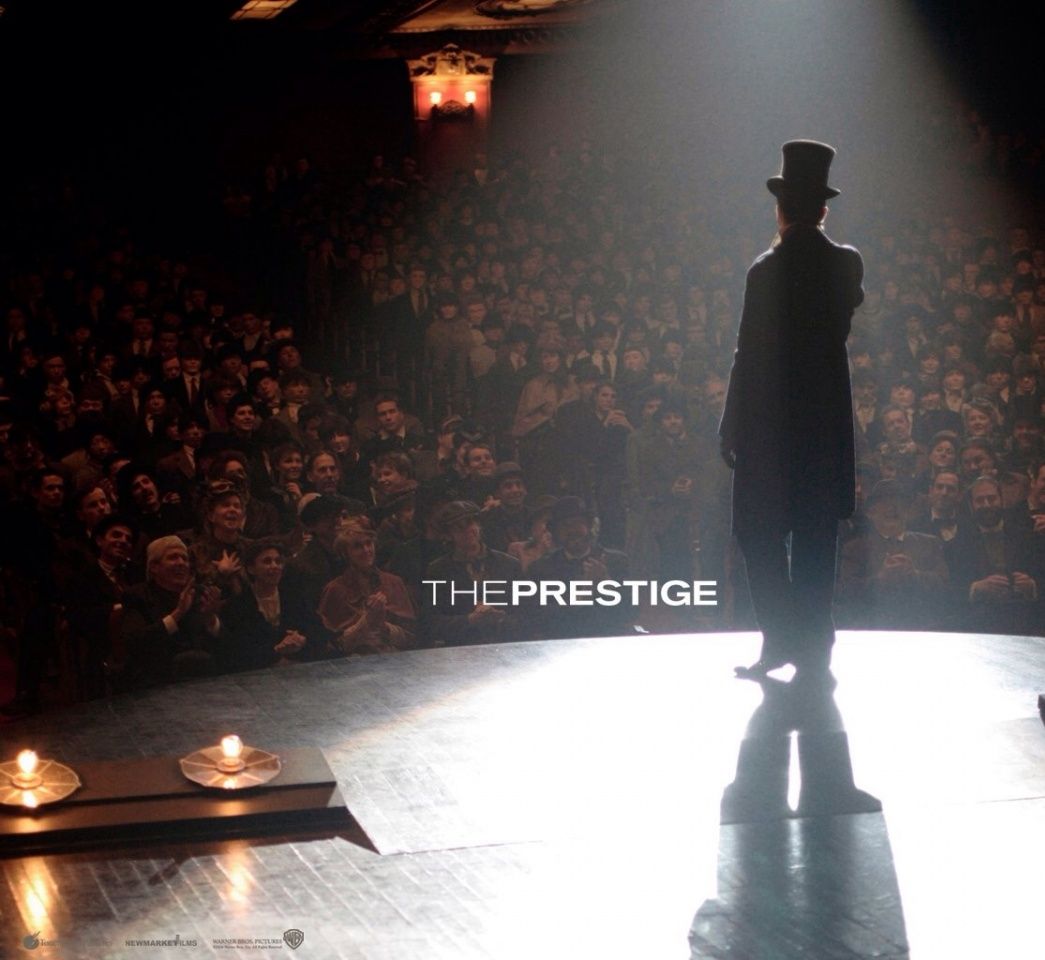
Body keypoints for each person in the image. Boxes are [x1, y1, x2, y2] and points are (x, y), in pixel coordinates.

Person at [719, 140, 864, 679]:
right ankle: (814, 642)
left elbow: (747, 353)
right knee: (815, 535)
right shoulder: (845, 263)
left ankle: (781, 636)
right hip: (821, 427)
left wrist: (730, 423)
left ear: (780, 208)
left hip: (770, 425)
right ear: (823, 209)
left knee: (758, 532)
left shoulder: (766, 269)